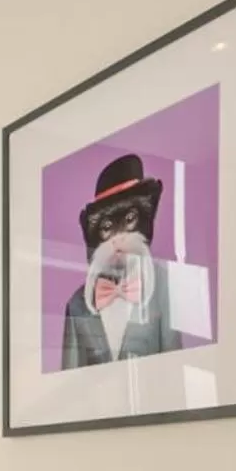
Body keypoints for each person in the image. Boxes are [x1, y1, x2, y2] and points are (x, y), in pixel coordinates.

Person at [60, 153, 182, 368]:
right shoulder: (77, 305)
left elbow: (176, 366)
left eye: (129, 219)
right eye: (107, 228)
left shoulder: (166, 287)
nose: (118, 238)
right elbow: (69, 383)